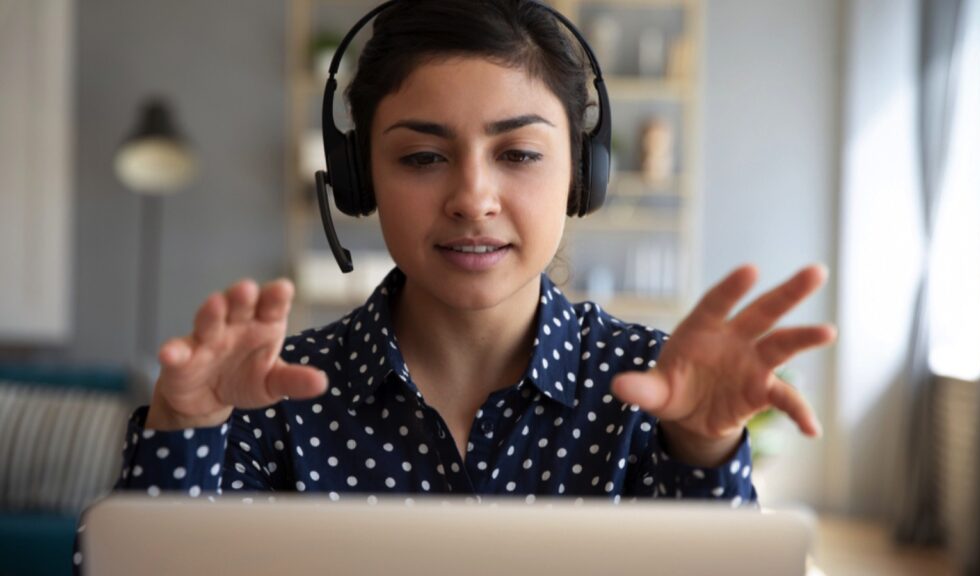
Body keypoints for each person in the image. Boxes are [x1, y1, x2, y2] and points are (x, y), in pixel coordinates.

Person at [74, 0, 834, 569]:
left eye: (520, 154)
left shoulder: (653, 391)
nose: (473, 196)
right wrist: (186, 429)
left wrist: (702, 450)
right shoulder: (272, 396)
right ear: (358, 178)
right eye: (422, 157)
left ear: (582, 174)